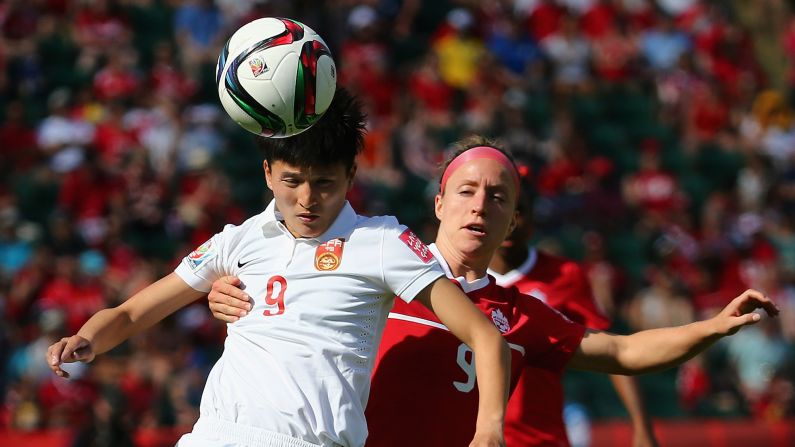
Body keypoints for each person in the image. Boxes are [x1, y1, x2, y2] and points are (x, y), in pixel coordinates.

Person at [206, 139, 778, 446]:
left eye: (498, 197)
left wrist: (713, 326)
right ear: (438, 203)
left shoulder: (518, 316)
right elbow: (284, 277)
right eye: (467, 191)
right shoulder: (374, 266)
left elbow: (623, 353)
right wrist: (226, 293)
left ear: (512, 222)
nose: (481, 205)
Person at [46, 89, 512, 447]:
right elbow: (133, 313)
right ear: (268, 173)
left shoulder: (384, 242)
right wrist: (87, 337)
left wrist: (489, 431)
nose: (307, 200)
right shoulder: (240, 239)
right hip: (217, 434)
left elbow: (487, 337)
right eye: (292, 181)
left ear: (352, 174)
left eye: (325, 184)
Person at [487, 192, 659, 447]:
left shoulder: (565, 276)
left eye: (520, 210)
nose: (513, 220)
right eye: (501, 207)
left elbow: (612, 350)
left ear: (533, 218)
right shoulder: (458, 280)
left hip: (542, 437)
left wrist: (642, 427)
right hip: (476, 436)